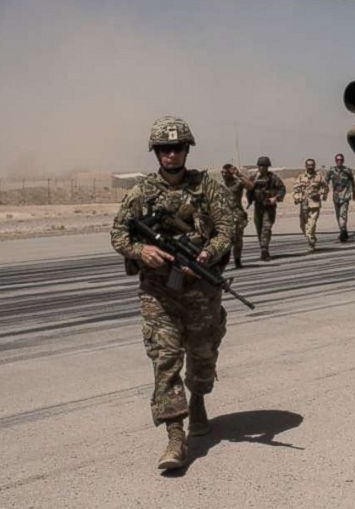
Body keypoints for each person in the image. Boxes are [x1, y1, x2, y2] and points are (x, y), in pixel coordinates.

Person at [111, 116, 235, 470]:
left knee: (203, 355)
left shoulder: (206, 186)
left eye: (177, 148)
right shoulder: (140, 193)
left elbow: (228, 226)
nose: (171, 154)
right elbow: (119, 235)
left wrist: (209, 252)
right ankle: (175, 437)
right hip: (158, 292)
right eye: (164, 149)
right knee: (165, 360)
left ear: (186, 150)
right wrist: (141, 252)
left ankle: (197, 400)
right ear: (156, 152)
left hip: (201, 288)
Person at [247, 156, 286, 261]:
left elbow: (282, 189)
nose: (262, 168)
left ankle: (264, 250)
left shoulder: (273, 178)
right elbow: (249, 189)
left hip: (269, 207)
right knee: (259, 229)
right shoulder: (253, 178)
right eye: (260, 165)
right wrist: (250, 199)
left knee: (266, 228)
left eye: (264, 166)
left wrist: (275, 198)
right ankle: (263, 247)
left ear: (268, 167)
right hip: (258, 206)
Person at [293, 158, 330, 252]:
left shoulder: (319, 177)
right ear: (305, 166)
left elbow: (325, 188)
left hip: (314, 204)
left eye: (312, 165)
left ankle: (311, 241)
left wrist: (320, 194)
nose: (310, 167)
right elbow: (295, 190)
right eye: (308, 165)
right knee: (302, 225)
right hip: (304, 204)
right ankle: (310, 237)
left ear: (314, 166)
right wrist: (297, 197)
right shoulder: (301, 177)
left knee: (312, 224)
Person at [220, 163, 253, 268]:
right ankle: (223, 261)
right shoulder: (220, 185)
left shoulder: (238, 183)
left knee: (238, 239)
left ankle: (237, 259)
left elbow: (250, 186)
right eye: (222, 172)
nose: (224, 175)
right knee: (225, 239)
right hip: (224, 216)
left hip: (237, 214)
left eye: (226, 173)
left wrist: (239, 174)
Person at [326, 153, 355, 242]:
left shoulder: (347, 170)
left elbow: (353, 181)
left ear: (343, 161)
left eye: (341, 160)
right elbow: (326, 182)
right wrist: (324, 193)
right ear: (335, 161)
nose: (339, 161)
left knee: (343, 214)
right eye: (337, 160)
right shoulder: (331, 171)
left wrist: (354, 192)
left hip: (345, 195)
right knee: (337, 215)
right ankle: (343, 230)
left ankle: (343, 232)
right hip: (336, 195)